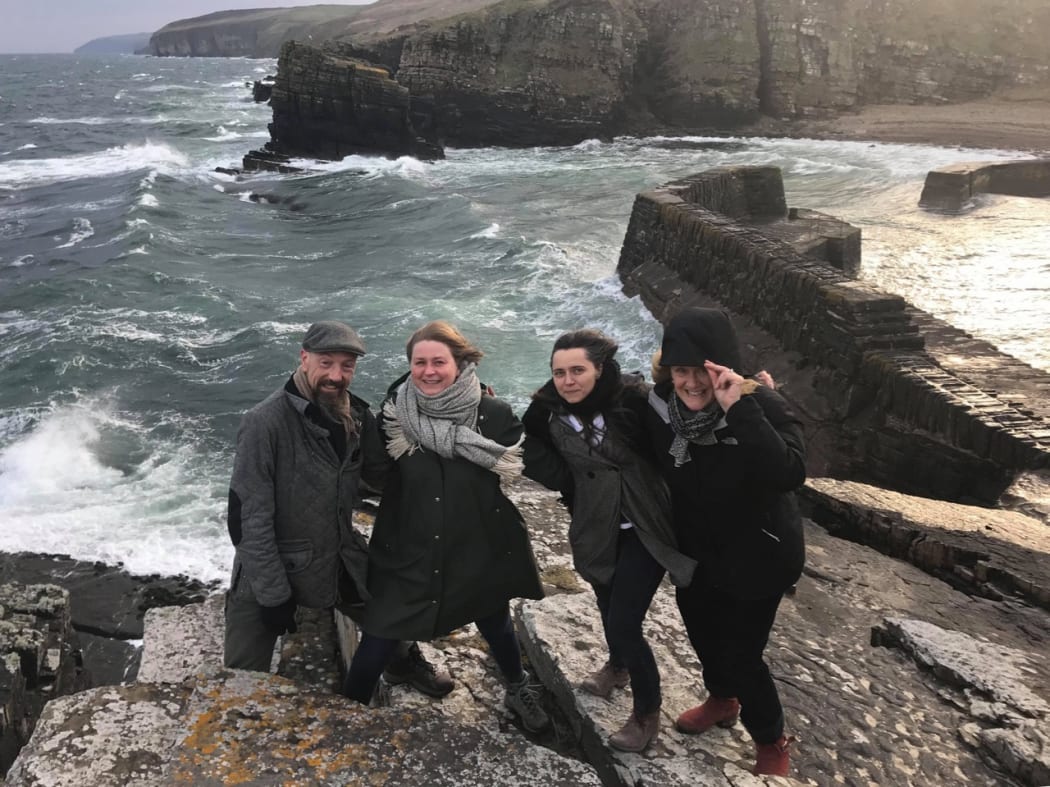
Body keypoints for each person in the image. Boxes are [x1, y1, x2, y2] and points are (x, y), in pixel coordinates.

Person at [224, 320, 453, 699]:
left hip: (335, 552)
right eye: (326, 363)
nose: (336, 375)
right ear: (304, 358)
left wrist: (438, 429)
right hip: (272, 563)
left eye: (346, 366)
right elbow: (247, 519)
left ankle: (401, 663)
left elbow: (385, 476)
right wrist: (273, 595)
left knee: (389, 606)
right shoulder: (264, 423)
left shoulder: (356, 418)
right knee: (240, 689)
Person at [341, 320, 549, 732]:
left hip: (477, 542)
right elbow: (374, 475)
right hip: (407, 545)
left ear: (460, 363)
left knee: (495, 620)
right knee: (380, 632)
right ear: (409, 367)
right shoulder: (390, 418)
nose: (429, 371)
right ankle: (346, 718)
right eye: (420, 363)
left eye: (439, 361)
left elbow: (533, 458)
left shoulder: (491, 413)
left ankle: (517, 686)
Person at [646, 307, 805, 777]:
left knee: (741, 653)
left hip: (760, 556)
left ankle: (771, 738)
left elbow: (789, 473)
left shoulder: (764, 408)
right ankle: (722, 699)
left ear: (726, 370)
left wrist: (741, 408)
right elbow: (605, 408)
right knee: (701, 635)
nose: (692, 383)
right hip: (697, 554)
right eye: (681, 371)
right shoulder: (659, 408)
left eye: (704, 372)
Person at [521, 329, 695, 751]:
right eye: (559, 372)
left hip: (645, 526)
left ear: (599, 368)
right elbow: (533, 453)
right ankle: (618, 667)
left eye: (578, 370)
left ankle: (646, 714)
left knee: (624, 619)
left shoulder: (635, 401)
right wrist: (573, 487)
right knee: (604, 600)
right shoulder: (545, 413)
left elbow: (685, 435)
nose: (568, 380)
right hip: (596, 525)